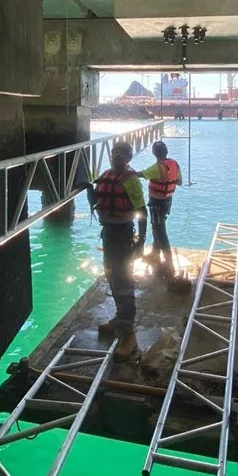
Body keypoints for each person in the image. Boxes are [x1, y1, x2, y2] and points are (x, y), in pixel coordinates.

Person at [91, 140, 147, 362]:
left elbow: (142, 211)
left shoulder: (131, 180)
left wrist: (141, 240)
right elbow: (99, 198)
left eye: (121, 154)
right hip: (108, 234)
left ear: (129, 158)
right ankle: (120, 318)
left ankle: (129, 333)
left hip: (123, 235)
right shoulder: (105, 174)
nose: (116, 156)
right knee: (112, 276)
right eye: (114, 152)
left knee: (123, 279)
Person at [138, 141, 182, 275]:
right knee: (157, 227)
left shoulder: (157, 168)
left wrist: (127, 172)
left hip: (156, 202)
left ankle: (169, 263)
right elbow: (179, 182)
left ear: (154, 153)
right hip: (168, 200)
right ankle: (155, 254)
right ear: (166, 151)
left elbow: (140, 174)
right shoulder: (174, 164)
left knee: (159, 231)